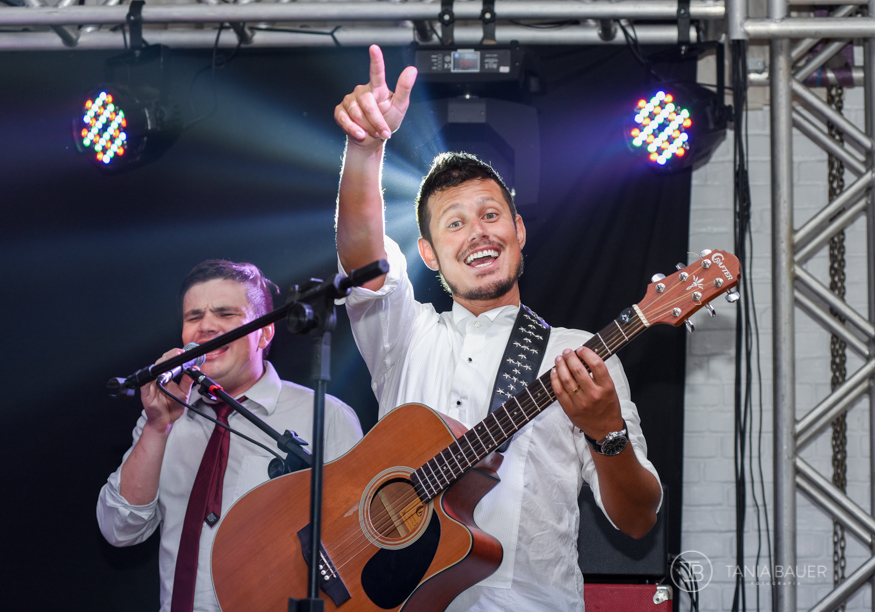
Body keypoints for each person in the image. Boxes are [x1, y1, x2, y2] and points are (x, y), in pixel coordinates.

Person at [333, 45, 663, 611]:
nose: (478, 234)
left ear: (519, 231)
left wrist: (606, 431)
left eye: (490, 215)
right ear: (430, 256)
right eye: (454, 224)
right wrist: (365, 150)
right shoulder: (407, 335)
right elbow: (363, 260)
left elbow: (636, 521)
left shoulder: (580, 356)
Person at [96, 259, 363, 612]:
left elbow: (359, 547)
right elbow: (119, 530)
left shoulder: (326, 417)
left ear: (264, 333)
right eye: (194, 317)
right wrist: (156, 428)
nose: (206, 326)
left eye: (225, 314)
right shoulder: (162, 416)